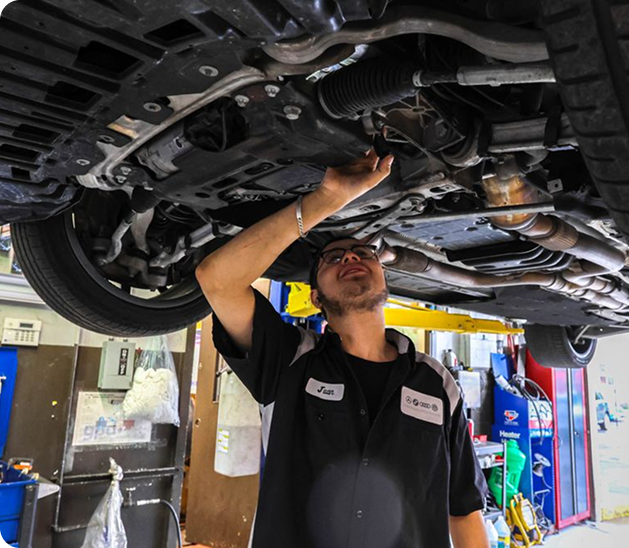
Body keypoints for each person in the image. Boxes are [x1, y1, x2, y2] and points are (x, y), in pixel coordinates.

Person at [196, 149, 489, 548]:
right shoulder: (290, 362)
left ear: (385, 280)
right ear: (316, 297)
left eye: (364, 253)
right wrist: (327, 199)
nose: (351, 256)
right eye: (334, 258)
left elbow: (464, 509)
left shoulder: (437, 383)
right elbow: (216, 278)